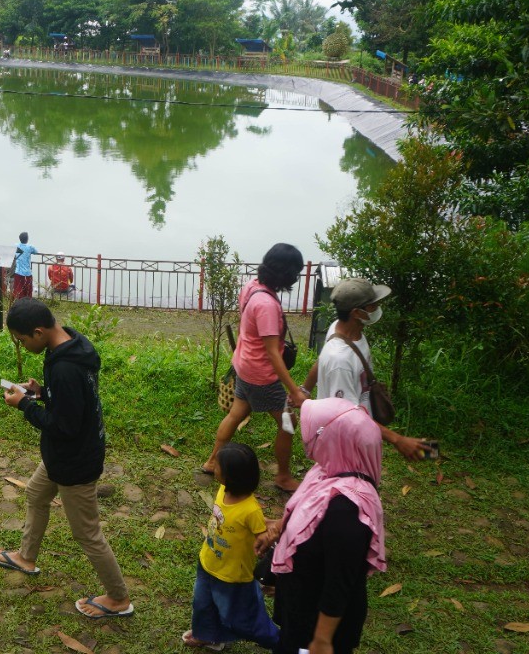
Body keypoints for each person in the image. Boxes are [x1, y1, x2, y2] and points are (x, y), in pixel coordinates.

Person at [0, 299, 133, 620]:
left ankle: (118, 597)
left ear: (39, 332)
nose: (24, 347)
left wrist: (24, 407)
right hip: (61, 455)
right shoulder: (69, 343)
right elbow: (71, 402)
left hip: (75, 461)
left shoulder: (66, 367)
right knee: (36, 494)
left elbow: (64, 427)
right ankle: (26, 557)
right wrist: (41, 393)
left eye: (24, 341)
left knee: (87, 534)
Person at [262, 398, 386, 654]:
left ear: (337, 440)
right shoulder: (327, 472)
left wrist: (322, 640)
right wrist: (278, 528)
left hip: (316, 627)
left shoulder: (347, 512)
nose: (308, 439)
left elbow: (340, 581)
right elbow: (307, 519)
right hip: (301, 603)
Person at [202, 243, 309, 491]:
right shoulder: (267, 305)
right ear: (287, 273)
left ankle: (211, 461)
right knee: (288, 422)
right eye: (296, 272)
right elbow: (272, 353)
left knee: (236, 413)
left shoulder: (252, 286)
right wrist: (294, 391)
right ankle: (283, 476)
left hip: (244, 365)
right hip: (261, 375)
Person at [300, 278, 429, 463]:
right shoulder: (340, 360)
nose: (377, 307)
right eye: (373, 305)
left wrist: (305, 389)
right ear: (356, 312)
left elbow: (320, 360)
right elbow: (348, 418)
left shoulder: (341, 329)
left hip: (361, 430)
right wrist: (398, 440)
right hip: (344, 442)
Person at [182, 443, 280, 651]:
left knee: (243, 620)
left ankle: (281, 643)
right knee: (202, 605)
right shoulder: (223, 490)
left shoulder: (250, 510)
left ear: (229, 476)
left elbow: (261, 534)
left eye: (218, 465)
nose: (213, 467)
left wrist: (271, 535)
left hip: (233, 577)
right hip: (208, 562)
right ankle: (207, 635)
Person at [11, 232, 37, 300]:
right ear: (27, 239)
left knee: (18, 291)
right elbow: (36, 252)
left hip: (18, 272)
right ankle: (28, 305)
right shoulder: (30, 247)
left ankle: (19, 304)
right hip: (27, 273)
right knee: (28, 292)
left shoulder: (16, 246)